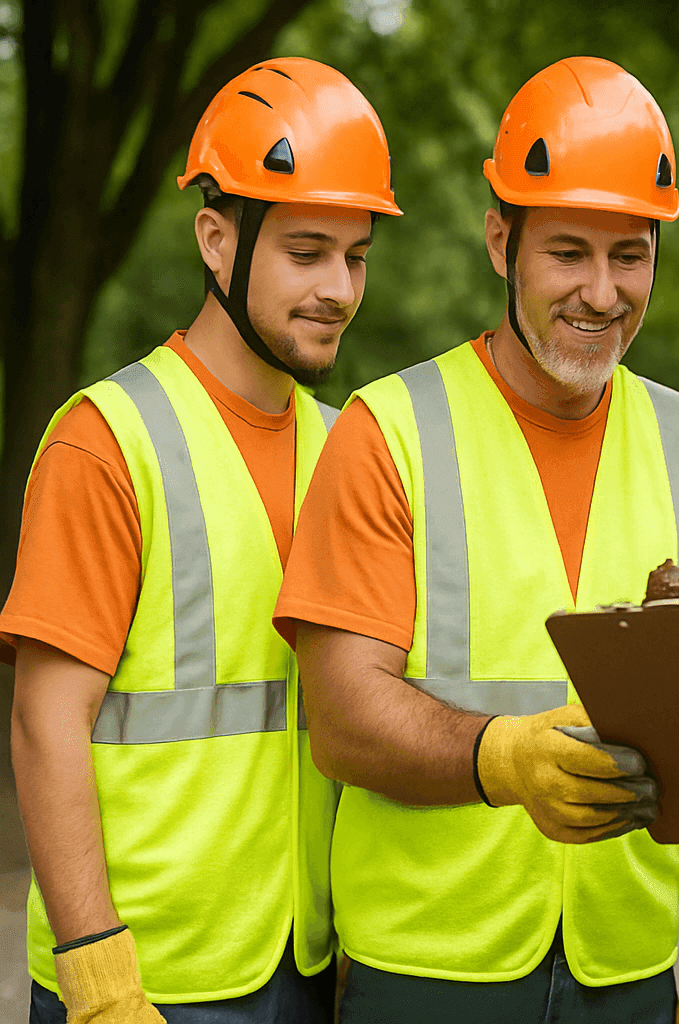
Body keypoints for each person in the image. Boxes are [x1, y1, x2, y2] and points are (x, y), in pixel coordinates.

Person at [272, 56, 679, 1023]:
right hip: (426, 973)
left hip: (625, 976)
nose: (602, 292)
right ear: (502, 242)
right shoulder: (391, 429)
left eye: (631, 255)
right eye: (568, 252)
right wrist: (502, 760)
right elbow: (340, 713)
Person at [1, 57, 399, 1023]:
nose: (339, 289)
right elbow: (44, 723)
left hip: (299, 966)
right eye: (307, 252)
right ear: (218, 242)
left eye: (354, 257)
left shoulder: (348, 447)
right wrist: (98, 979)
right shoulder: (107, 440)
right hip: (143, 983)